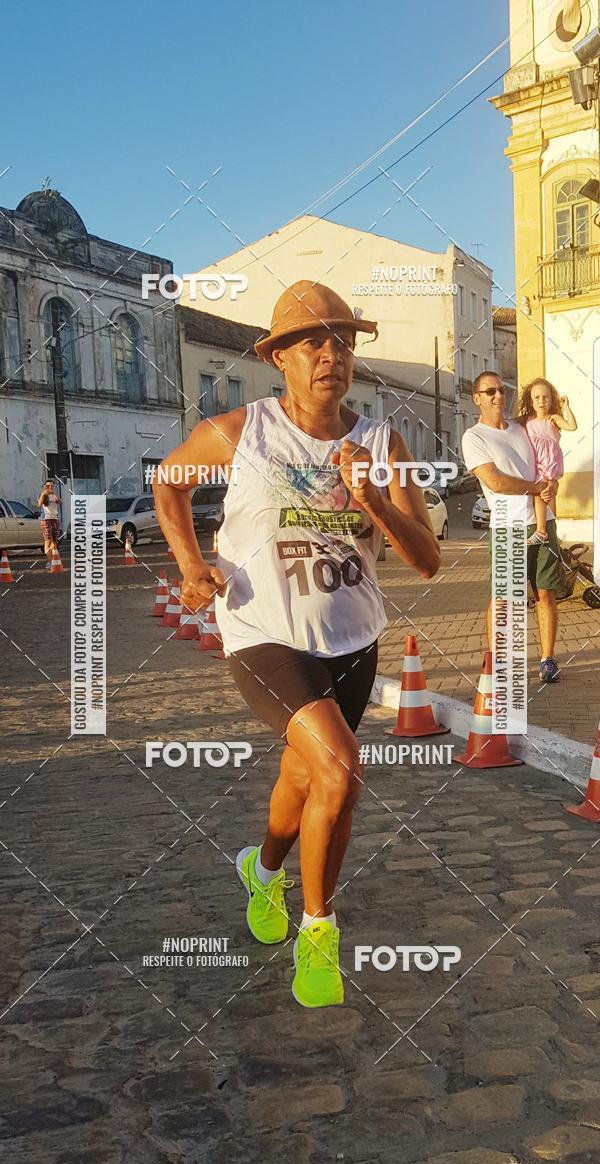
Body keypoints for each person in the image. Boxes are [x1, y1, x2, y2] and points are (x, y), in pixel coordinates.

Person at [153, 281, 441, 1008]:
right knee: (342, 767)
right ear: (278, 356)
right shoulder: (239, 432)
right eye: (313, 341)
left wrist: (374, 499)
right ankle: (318, 930)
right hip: (262, 632)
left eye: (342, 341)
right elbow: (169, 482)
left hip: (352, 636)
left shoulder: (383, 441)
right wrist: (191, 564)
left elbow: (428, 559)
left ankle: (265, 867)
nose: (331, 355)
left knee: (306, 779)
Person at [462, 371, 562, 685]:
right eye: (490, 392)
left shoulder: (522, 428)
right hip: (508, 527)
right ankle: (498, 663)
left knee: (546, 593)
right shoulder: (474, 436)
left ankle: (547, 659)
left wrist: (552, 485)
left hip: (543, 522)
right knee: (505, 598)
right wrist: (535, 488)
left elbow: (546, 461)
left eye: (502, 390)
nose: (498, 396)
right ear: (477, 398)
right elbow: (496, 482)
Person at [516, 378, 577, 546]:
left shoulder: (553, 419)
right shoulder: (526, 422)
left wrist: (566, 407)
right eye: (537, 398)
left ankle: (542, 531)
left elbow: (572, 426)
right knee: (541, 497)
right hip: (534, 465)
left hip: (549, 465)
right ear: (530, 400)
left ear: (552, 399)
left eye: (546, 397)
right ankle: (547, 532)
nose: (542, 401)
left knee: (542, 495)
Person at [37, 480, 62, 569]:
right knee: (47, 540)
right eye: (48, 486)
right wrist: (44, 493)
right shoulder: (43, 494)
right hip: (46, 519)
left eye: (52, 486)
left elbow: (60, 502)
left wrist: (55, 494)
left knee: (55, 541)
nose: (50, 487)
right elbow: (39, 504)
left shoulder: (54, 495)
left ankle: (53, 560)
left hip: (55, 518)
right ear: (45, 487)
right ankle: (50, 562)